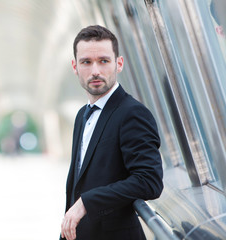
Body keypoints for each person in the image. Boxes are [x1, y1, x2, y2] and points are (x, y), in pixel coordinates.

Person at [60, 25, 163, 240]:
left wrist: (88, 202)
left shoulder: (133, 113)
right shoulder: (82, 116)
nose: (95, 70)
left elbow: (149, 180)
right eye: (86, 62)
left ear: (119, 64)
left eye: (104, 61)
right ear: (75, 66)